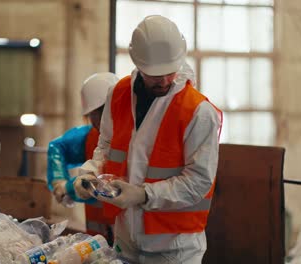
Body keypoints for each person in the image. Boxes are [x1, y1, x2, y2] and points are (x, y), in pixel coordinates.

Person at [73, 15, 223, 263]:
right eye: (155, 75)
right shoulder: (118, 94)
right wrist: (89, 172)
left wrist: (144, 194)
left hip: (175, 249)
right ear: (138, 64)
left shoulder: (198, 112)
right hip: (126, 240)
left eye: (169, 72)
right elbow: (107, 146)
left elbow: (199, 181)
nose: (164, 81)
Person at [47, 72, 119, 242]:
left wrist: (69, 188)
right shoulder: (89, 138)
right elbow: (57, 147)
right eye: (93, 113)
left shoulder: (135, 139)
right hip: (97, 239)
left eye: (102, 111)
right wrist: (59, 182)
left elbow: (100, 184)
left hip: (128, 238)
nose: (97, 119)